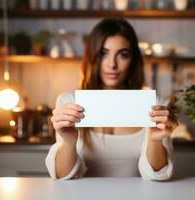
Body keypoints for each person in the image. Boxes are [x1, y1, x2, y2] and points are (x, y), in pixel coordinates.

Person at [45, 18, 178, 180]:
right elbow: (61, 175)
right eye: (103, 53)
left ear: (133, 59)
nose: (112, 65)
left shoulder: (155, 104)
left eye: (123, 55)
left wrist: (154, 141)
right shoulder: (70, 101)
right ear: (92, 56)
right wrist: (68, 143)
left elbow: (159, 175)